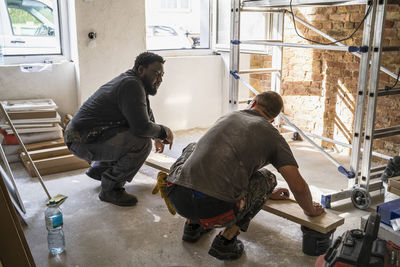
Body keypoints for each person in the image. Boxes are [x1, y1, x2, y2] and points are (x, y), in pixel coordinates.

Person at [164, 91, 324, 260]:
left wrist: (267, 195)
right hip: (216, 210)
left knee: (192, 147)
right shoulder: (273, 135)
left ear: (253, 103)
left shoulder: (228, 117)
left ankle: (192, 227)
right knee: (268, 178)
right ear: (272, 120)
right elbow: (298, 186)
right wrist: (311, 210)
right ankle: (226, 241)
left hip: (177, 197)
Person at [64, 52, 173, 207]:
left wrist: (157, 136)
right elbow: (142, 127)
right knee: (141, 142)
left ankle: (99, 171)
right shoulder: (132, 85)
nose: (160, 79)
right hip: (81, 140)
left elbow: (144, 112)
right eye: (156, 74)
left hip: (84, 136)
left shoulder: (134, 82)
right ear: (141, 70)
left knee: (133, 132)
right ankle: (111, 188)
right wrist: (164, 131)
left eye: (162, 75)